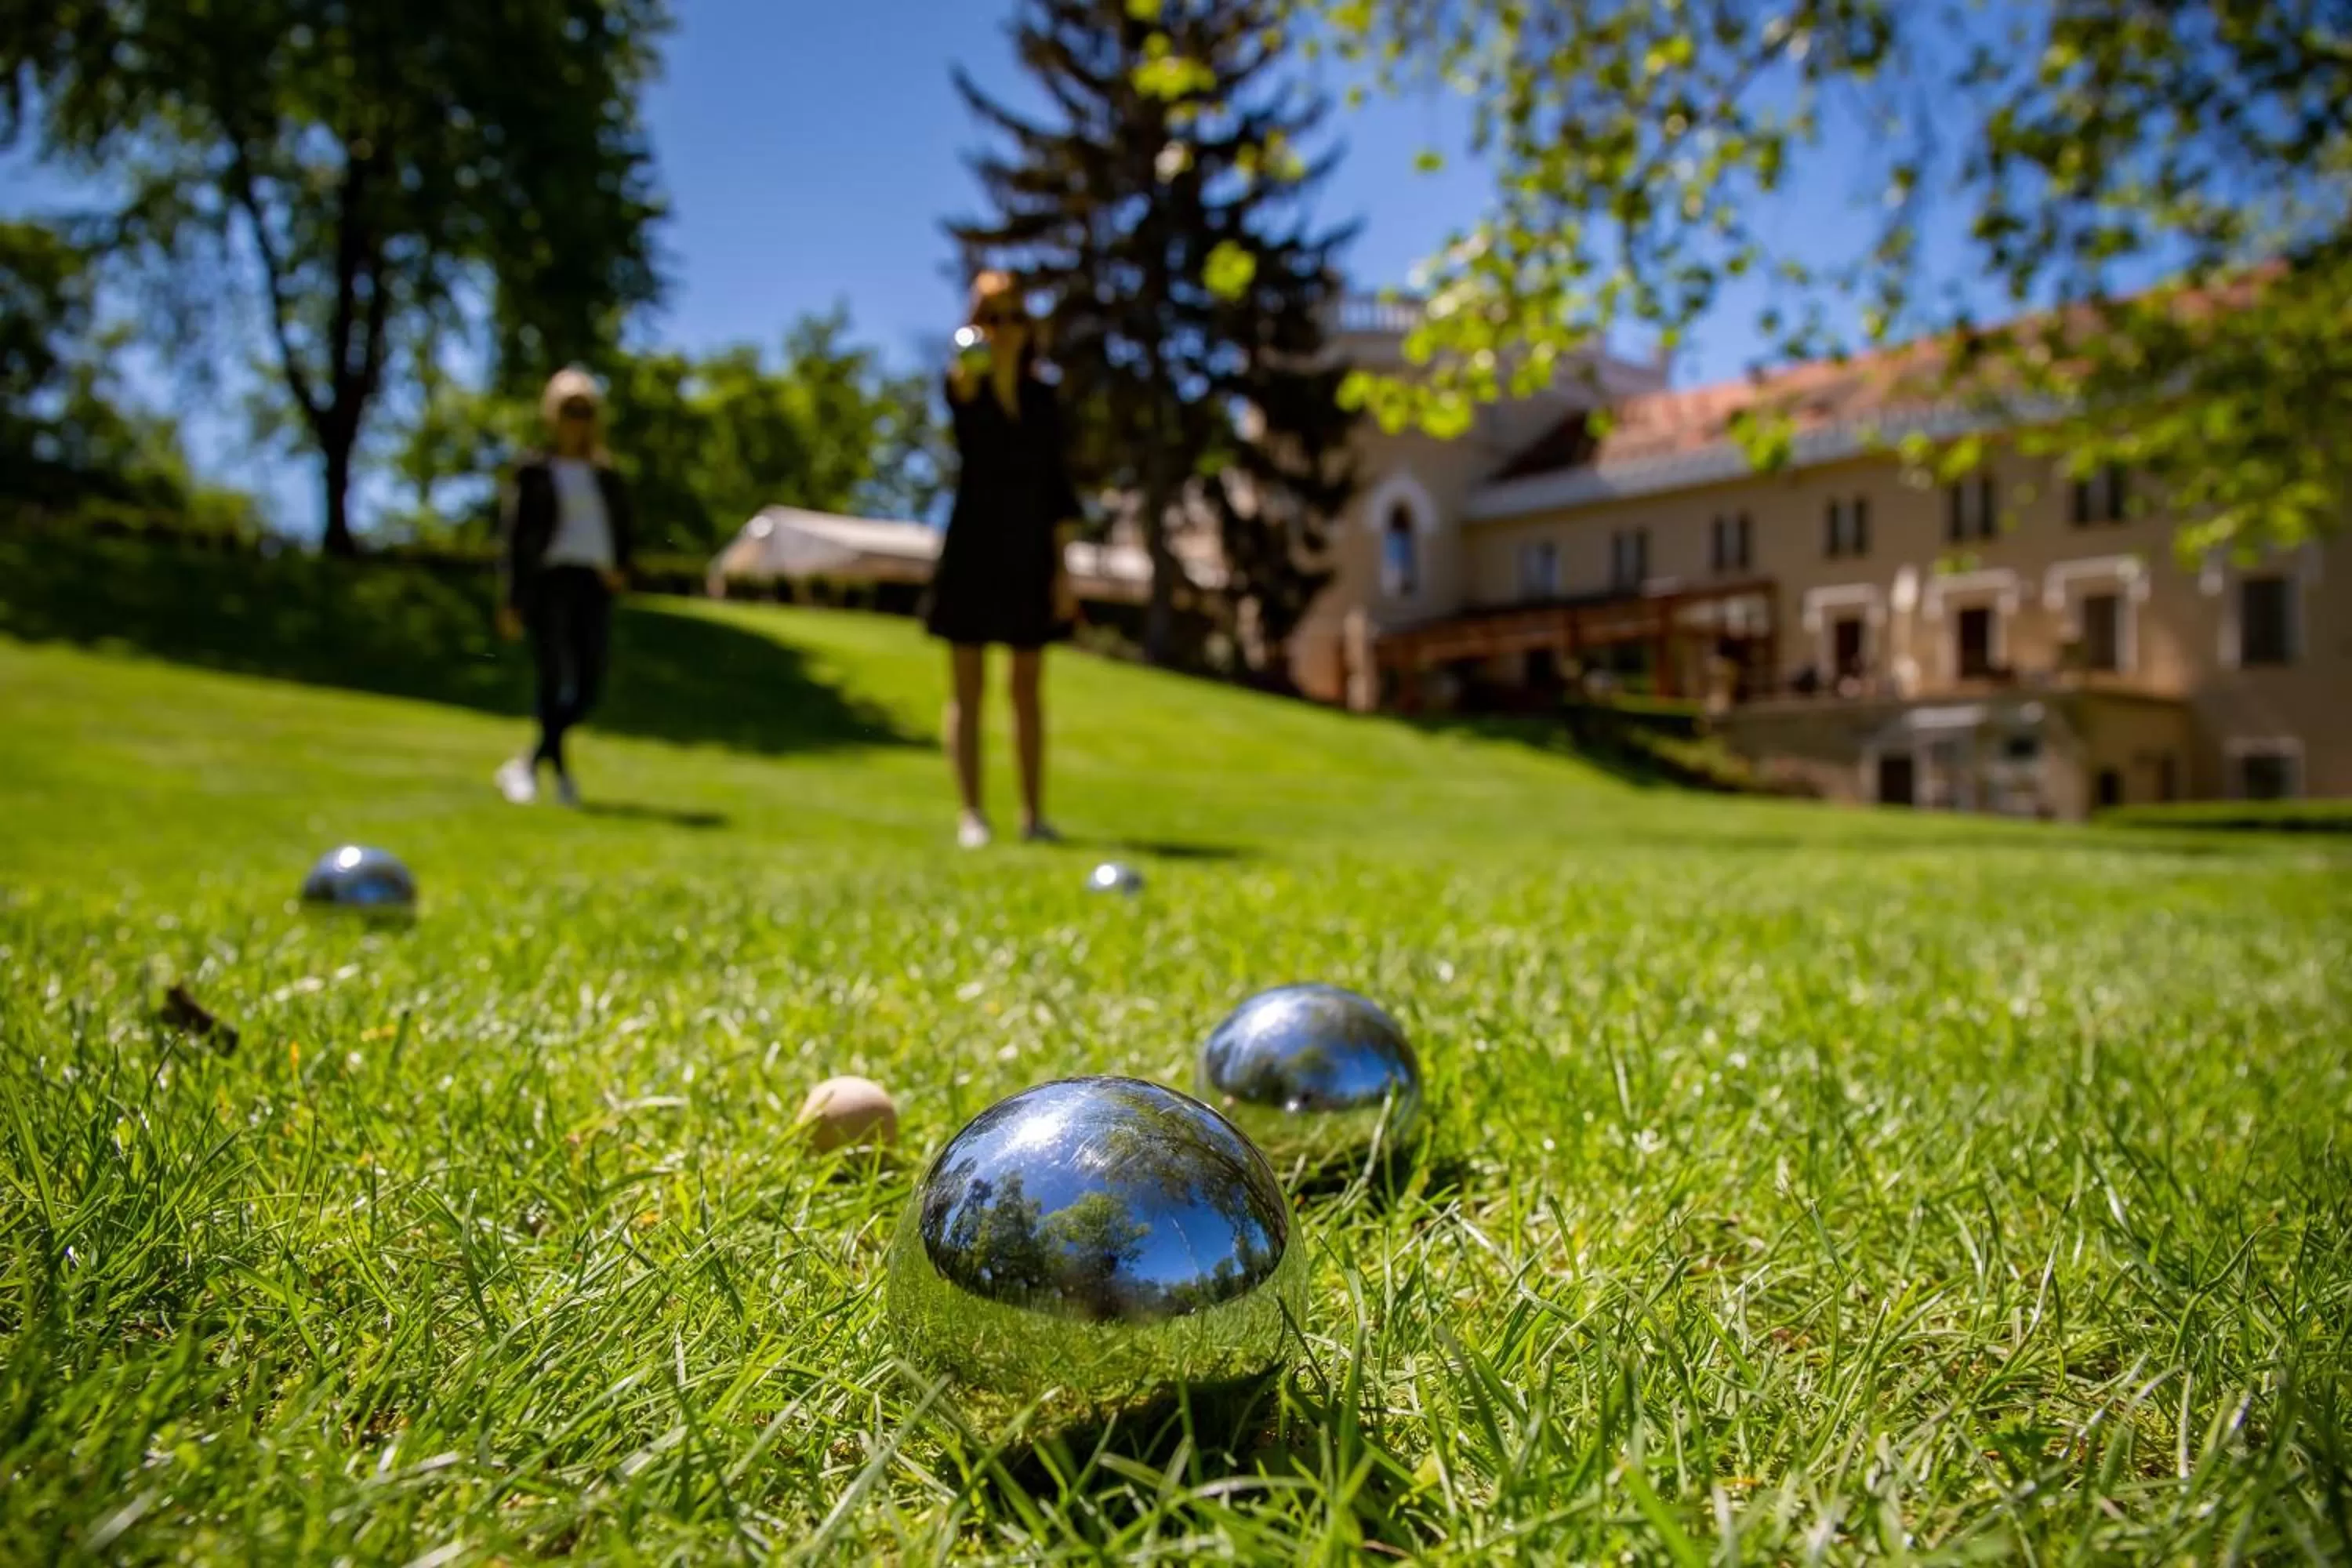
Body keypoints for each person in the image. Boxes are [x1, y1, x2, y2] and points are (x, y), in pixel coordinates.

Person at [926, 270, 1083, 849]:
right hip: (974, 545)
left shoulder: (1044, 399)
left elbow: (1059, 489)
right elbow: (960, 391)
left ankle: (1032, 815)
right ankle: (972, 814)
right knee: (967, 687)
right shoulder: (967, 381)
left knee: (1027, 688)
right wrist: (973, 355)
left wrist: (1064, 571)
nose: (1007, 329)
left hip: (1030, 551)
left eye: (1016, 316)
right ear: (978, 324)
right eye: (994, 318)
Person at [493, 367, 634, 807]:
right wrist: (513, 599)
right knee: (555, 678)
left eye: (585, 409)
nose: (578, 418)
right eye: (570, 409)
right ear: (552, 414)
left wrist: (621, 565)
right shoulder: (535, 469)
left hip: (593, 582)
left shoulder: (606, 473)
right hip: (550, 581)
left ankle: (530, 763)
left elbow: (622, 525)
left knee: (589, 686)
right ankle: (557, 774)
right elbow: (516, 538)